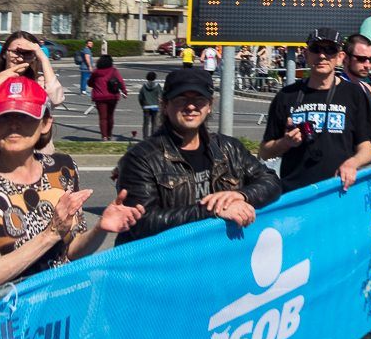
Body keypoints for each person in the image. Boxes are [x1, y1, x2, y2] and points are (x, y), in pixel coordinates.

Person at [0, 77, 143, 339]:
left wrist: (101, 229)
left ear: (45, 123)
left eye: (25, 116)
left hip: (58, 327)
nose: (14, 125)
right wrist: (49, 234)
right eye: (4, 117)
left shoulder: (61, 168)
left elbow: (70, 252)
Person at [115, 69, 280, 243]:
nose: (191, 106)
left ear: (209, 105)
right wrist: (213, 210)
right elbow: (141, 223)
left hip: (216, 258)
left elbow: (272, 181)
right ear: (165, 106)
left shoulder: (230, 147)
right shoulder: (140, 158)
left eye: (199, 99)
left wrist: (242, 195)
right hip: (167, 262)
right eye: (181, 99)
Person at [260, 28, 371, 193]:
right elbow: (264, 152)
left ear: (340, 58)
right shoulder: (286, 96)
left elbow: (366, 150)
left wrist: (352, 163)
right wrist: (285, 142)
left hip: (339, 191)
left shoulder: (355, 94)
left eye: (330, 50)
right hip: (296, 194)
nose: (322, 55)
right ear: (306, 55)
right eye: (316, 49)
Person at [89, 55, 128, 140]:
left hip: (99, 97)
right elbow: (120, 82)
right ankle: (109, 135)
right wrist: (124, 91)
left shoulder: (96, 73)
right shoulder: (114, 71)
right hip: (112, 96)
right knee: (110, 116)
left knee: (102, 117)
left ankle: (104, 136)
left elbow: (89, 83)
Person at [139, 71, 163, 140]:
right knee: (154, 123)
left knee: (146, 123)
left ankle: (145, 138)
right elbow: (160, 95)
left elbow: (140, 97)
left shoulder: (144, 86)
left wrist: (142, 104)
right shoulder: (157, 86)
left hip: (146, 106)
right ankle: (153, 137)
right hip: (155, 106)